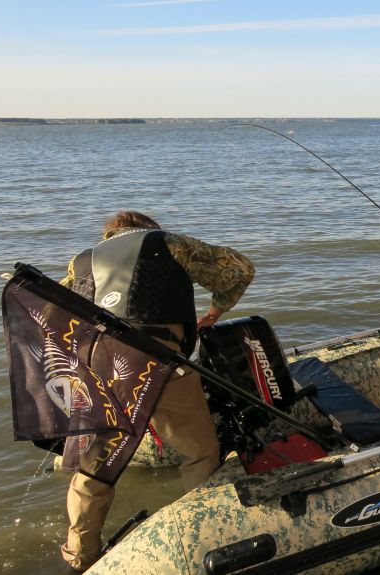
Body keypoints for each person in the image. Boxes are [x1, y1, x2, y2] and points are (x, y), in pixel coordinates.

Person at [58, 210, 255, 572]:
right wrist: (215, 311)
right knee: (200, 452)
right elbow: (241, 269)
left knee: (94, 466)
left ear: (109, 234)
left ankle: (80, 557)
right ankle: (206, 540)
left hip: (93, 366)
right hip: (153, 357)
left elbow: (57, 314)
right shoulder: (169, 244)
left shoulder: (81, 261)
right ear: (147, 228)